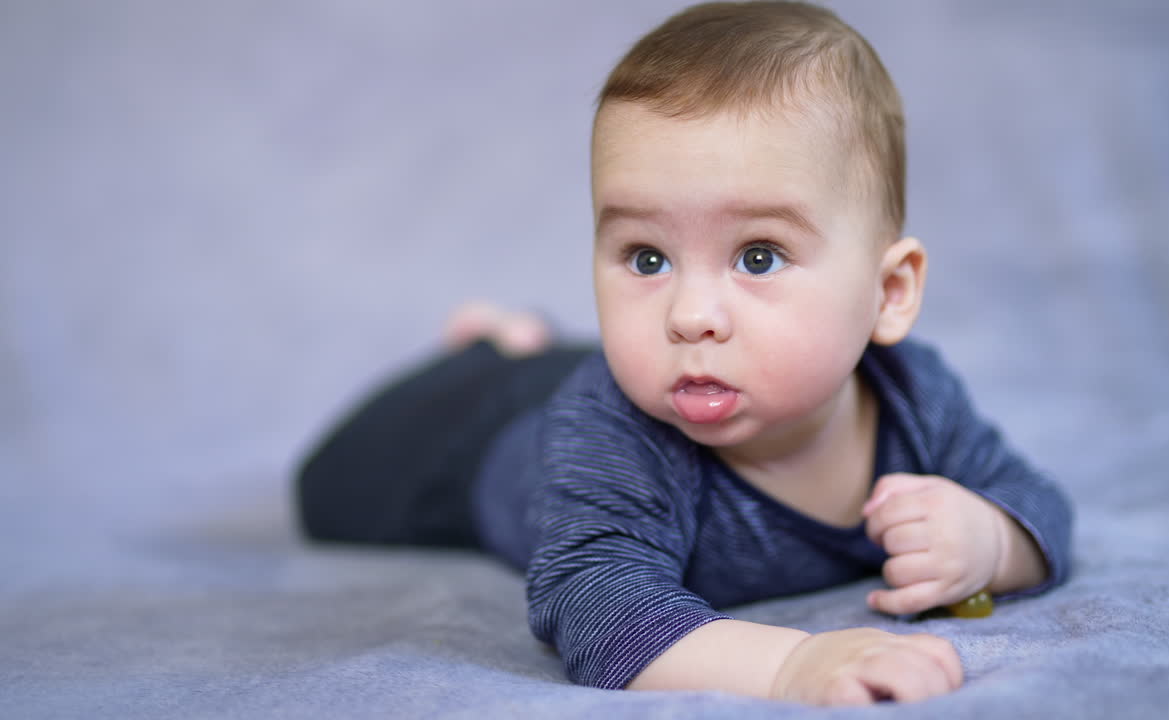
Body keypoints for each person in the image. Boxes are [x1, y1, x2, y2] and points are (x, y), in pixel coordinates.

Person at [295, 1, 1073, 706]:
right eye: (647, 259)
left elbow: (1037, 505)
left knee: (575, 364)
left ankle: (511, 340)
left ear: (891, 291)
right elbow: (596, 603)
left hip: (591, 378)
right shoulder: (615, 436)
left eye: (759, 256)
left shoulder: (914, 399)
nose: (690, 315)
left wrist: (991, 542)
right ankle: (489, 350)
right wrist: (790, 668)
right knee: (327, 488)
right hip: (466, 447)